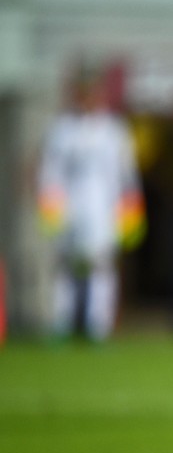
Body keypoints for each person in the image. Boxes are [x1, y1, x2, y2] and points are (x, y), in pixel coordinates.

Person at [37, 67, 145, 343]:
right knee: (66, 263)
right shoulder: (63, 129)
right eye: (82, 92)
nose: (86, 99)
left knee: (101, 263)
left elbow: (127, 174)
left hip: (103, 205)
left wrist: (130, 211)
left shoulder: (113, 130)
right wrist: (49, 206)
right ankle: (63, 320)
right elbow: (51, 171)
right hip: (69, 203)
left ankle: (99, 324)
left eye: (92, 93)